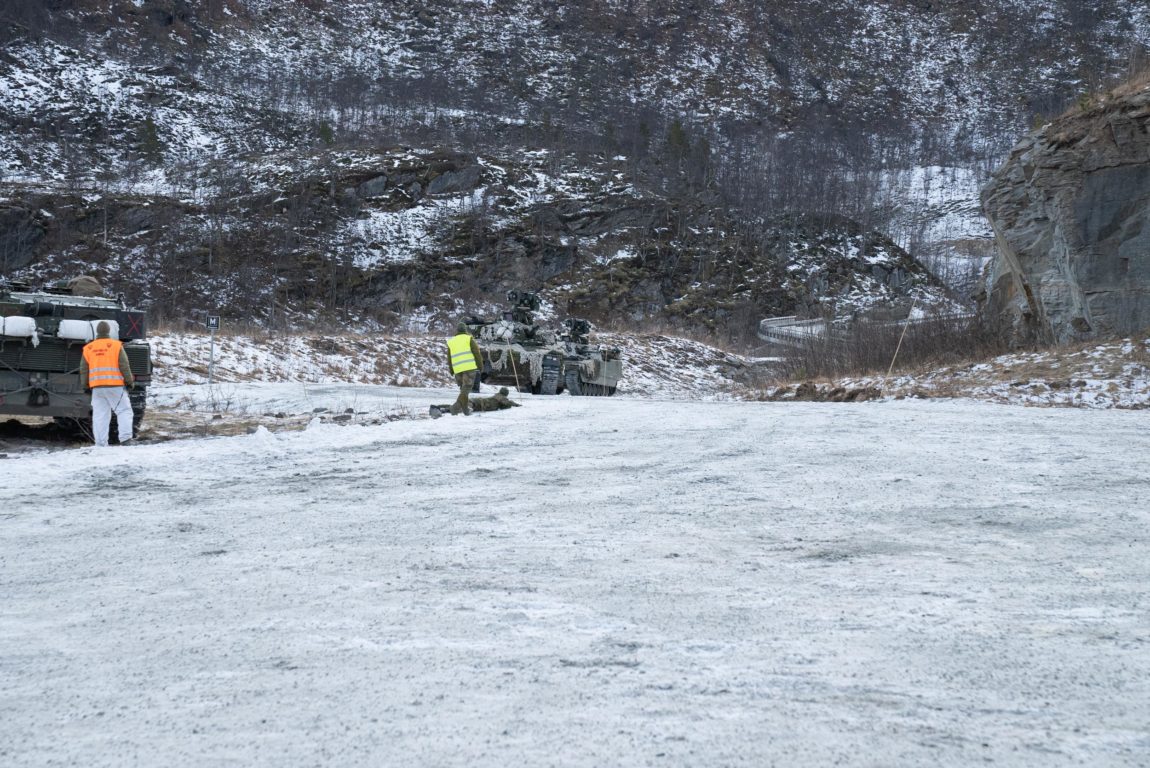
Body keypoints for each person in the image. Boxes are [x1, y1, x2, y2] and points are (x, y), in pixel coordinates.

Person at [79, 320, 135, 446]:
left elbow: (83, 369)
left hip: (97, 388)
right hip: (115, 386)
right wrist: (129, 381)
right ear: (109, 331)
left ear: (97, 332)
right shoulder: (115, 346)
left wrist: (85, 386)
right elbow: (124, 365)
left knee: (100, 415)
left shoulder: (89, 348)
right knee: (124, 411)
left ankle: (100, 443)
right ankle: (125, 439)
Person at [445, 321, 483, 415]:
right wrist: (480, 366)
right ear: (465, 329)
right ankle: (455, 407)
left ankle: (466, 410)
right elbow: (477, 353)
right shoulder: (469, 339)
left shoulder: (451, 342)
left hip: (457, 369)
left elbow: (449, 358)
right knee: (466, 389)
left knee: (463, 389)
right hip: (469, 367)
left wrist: (451, 370)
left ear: (457, 330)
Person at [429, 387, 520, 418]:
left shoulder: (497, 396)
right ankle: (444, 410)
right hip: (476, 403)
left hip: (475, 402)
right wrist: (514, 404)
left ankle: (438, 407)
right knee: (464, 410)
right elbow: (506, 403)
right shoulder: (500, 397)